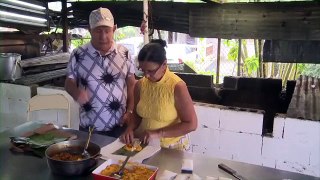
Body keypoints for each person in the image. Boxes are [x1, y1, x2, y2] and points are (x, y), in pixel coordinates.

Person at [65, 7, 136, 137]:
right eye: (98, 31)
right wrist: (76, 93)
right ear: (89, 30)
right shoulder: (77, 54)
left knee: (118, 158)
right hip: (89, 128)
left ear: (114, 29)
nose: (103, 36)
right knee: (89, 157)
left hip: (120, 126)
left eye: (107, 31)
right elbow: (69, 82)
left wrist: (130, 111)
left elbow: (132, 84)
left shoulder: (125, 53)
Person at [121, 39, 197, 151]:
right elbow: (137, 115)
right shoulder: (140, 85)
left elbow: (191, 124)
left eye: (151, 71)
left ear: (164, 65)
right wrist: (130, 128)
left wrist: (157, 133)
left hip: (171, 147)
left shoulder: (177, 86)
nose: (146, 75)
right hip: (144, 144)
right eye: (142, 70)